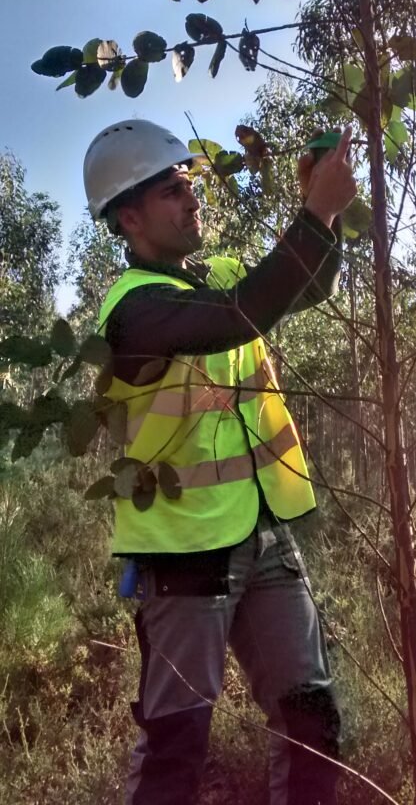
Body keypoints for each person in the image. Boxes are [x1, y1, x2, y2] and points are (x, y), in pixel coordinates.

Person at [83, 118, 357, 805]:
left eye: (189, 185)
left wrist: (322, 215)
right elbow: (241, 313)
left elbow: (302, 286)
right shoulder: (134, 312)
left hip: (264, 535)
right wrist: (313, 213)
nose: (191, 199)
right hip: (181, 554)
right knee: (176, 748)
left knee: (312, 718)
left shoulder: (217, 277)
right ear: (129, 218)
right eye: (172, 191)